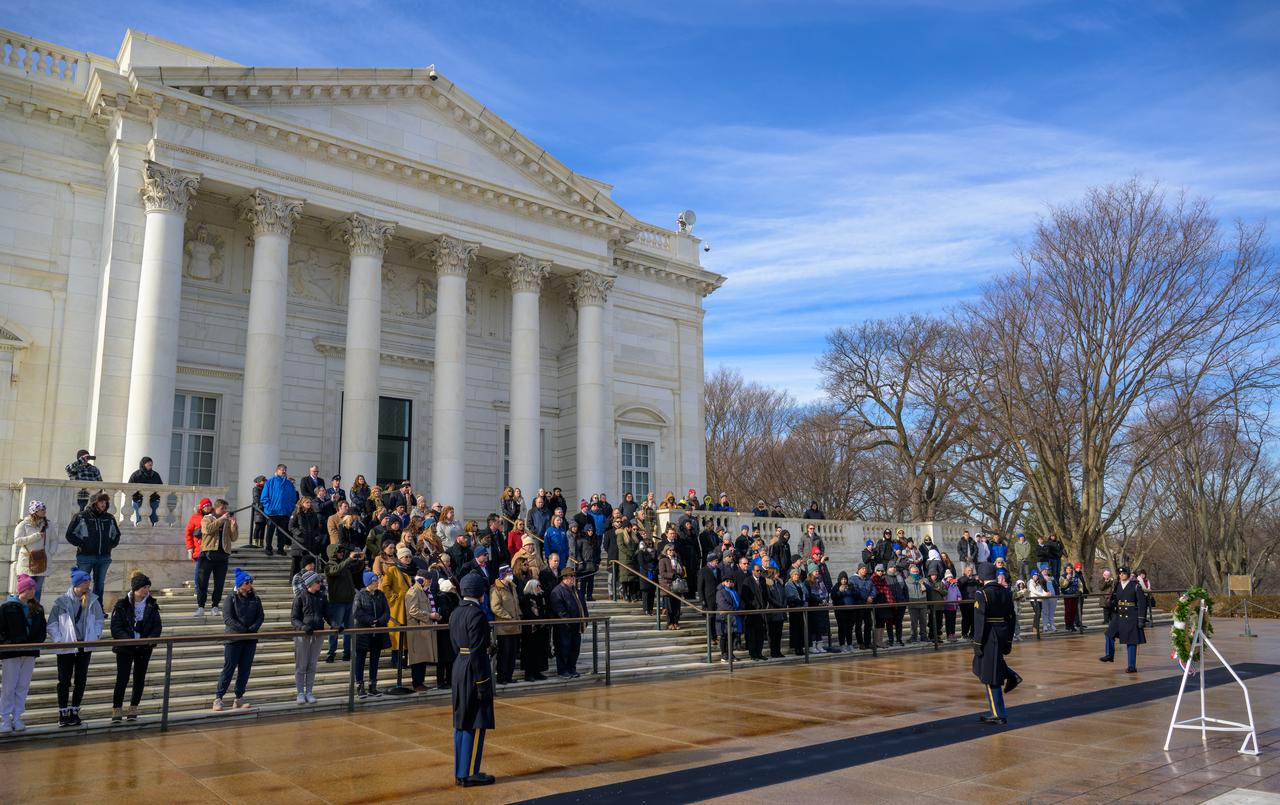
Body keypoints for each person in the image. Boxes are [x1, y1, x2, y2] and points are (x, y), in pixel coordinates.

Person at [451, 572, 496, 787]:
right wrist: (482, 683)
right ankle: (470, 772)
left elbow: (458, 645)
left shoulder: (456, 613)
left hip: (459, 664)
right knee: (475, 722)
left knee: (461, 722)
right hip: (474, 670)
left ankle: (460, 771)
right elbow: (477, 652)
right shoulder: (477, 615)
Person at [48, 567, 104, 726]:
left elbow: (99, 620)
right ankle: (63, 712)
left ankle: (75, 710)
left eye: (88, 582)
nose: (88, 585)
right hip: (67, 645)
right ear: (76, 584)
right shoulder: (61, 601)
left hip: (85, 646)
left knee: (81, 679)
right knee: (64, 680)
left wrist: (96, 635)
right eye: (85, 582)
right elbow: (52, 623)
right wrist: (59, 640)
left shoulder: (93, 600)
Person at [972, 562, 1020, 725]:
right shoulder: (1005, 591)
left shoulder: (982, 593)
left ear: (981, 577)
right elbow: (1011, 617)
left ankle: (998, 713)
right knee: (987, 666)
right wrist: (1008, 638)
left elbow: (980, 620)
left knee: (990, 675)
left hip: (989, 634)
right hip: (1002, 631)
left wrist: (977, 642)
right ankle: (1010, 674)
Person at [109, 572, 161, 721]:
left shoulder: (152, 604)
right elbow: (116, 627)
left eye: (148, 587)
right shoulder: (122, 604)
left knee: (140, 678)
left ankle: (133, 707)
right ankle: (117, 708)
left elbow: (157, 626)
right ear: (136, 588)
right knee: (122, 678)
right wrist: (128, 640)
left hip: (144, 648)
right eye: (144, 587)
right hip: (126, 648)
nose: (147, 590)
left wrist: (149, 639)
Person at [0, 574, 47, 733]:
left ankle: (18, 717)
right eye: (29, 588)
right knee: (8, 686)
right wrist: (8, 644)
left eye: (33, 588)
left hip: (29, 652)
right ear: (21, 590)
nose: (32, 591)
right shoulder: (7, 608)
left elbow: (42, 630)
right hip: (11, 652)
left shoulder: (38, 608)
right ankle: (5, 719)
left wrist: (37, 643)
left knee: (23, 686)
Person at [215, 568, 263, 711]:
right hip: (234, 639)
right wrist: (242, 629)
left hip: (250, 639)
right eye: (247, 582)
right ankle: (218, 697)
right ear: (240, 584)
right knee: (229, 668)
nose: (249, 585)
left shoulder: (255, 598)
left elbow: (260, 616)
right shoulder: (231, 598)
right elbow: (228, 618)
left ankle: (239, 697)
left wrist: (253, 628)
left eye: (251, 582)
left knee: (245, 669)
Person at [64, 491, 120, 603]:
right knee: (81, 583)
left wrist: (109, 545)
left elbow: (116, 534)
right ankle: (78, 607)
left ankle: (97, 609)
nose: (103, 504)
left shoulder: (109, 518)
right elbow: (69, 534)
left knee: (100, 584)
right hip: (85, 557)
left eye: (105, 502)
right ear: (94, 503)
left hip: (104, 557)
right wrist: (82, 544)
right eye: (101, 501)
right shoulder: (81, 516)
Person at [197, 498, 238, 618]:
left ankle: (215, 606)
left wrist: (233, 525)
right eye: (222, 508)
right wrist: (221, 519)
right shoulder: (207, 518)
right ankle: (200, 606)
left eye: (226, 508)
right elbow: (207, 530)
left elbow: (234, 537)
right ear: (216, 508)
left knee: (219, 584)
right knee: (202, 582)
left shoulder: (226, 520)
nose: (225, 511)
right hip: (207, 554)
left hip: (222, 555)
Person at [1100, 566, 1147, 673]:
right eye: (1120, 574)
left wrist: (1141, 619)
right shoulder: (1117, 585)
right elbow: (1115, 598)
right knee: (1109, 633)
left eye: (1124, 573)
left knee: (1131, 641)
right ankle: (1109, 655)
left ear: (1128, 574)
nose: (1121, 575)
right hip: (1119, 614)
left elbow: (1142, 603)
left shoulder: (1135, 585)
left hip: (1131, 615)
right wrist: (1111, 603)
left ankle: (1132, 666)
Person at [352, 570, 391, 698]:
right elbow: (357, 612)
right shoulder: (360, 595)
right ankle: (359, 686)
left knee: (375, 659)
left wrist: (379, 621)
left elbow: (387, 612)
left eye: (377, 580)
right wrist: (371, 621)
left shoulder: (380, 594)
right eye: (374, 581)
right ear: (368, 582)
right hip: (364, 632)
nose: (377, 583)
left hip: (378, 632)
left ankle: (372, 686)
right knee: (360, 659)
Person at [291, 569, 327, 704]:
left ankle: (309, 692)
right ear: (310, 584)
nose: (320, 584)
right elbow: (294, 618)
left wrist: (335, 624)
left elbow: (327, 613)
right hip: (303, 634)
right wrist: (303, 627)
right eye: (318, 582)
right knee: (301, 665)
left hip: (318, 633)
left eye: (320, 581)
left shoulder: (322, 596)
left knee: (312, 664)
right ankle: (300, 692)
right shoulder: (300, 597)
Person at [406, 571, 440, 692]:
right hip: (417, 630)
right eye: (428, 580)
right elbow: (413, 610)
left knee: (423, 658)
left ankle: (421, 682)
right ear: (421, 579)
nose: (430, 582)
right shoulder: (414, 591)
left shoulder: (424, 592)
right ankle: (417, 683)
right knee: (418, 658)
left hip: (425, 629)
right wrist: (430, 615)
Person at [550, 567, 587, 678]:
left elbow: (583, 606)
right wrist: (570, 621)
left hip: (576, 626)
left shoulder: (576, 590)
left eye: (573, 576)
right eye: (571, 576)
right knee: (563, 649)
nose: (573, 578)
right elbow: (560, 610)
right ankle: (562, 670)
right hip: (564, 627)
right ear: (564, 577)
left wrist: (585, 619)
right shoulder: (557, 591)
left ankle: (572, 668)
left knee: (575, 649)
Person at [11, 500, 51, 602]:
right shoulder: (23, 524)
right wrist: (35, 536)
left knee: (37, 590)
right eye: (42, 509)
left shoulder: (47, 524)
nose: (44, 511)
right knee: (26, 590)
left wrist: (50, 551)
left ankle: (35, 613)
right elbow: (17, 541)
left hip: (42, 561)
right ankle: (24, 611)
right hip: (26, 563)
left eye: (44, 509)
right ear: (35, 511)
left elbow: (55, 539)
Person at [490, 565, 520, 685]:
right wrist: (508, 616)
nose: (511, 575)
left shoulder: (513, 587)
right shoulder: (496, 589)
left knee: (512, 653)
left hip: (515, 625)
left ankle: (509, 676)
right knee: (504, 653)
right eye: (508, 573)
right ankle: (501, 677)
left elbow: (516, 604)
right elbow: (495, 607)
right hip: (504, 627)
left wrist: (518, 616)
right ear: (503, 575)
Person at [260, 464, 298, 556]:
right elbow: (264, 497)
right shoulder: (270, 482)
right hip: (272, 512)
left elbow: (293, 498)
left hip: (284, 512)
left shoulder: (289, 484)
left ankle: (280, 548)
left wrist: (290, 508)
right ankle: (268, 548)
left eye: (285, 470)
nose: (284, 471)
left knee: (282, 532)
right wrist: (269, 507)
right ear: (277, 470)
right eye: (282, 470)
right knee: (270, 531)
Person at [519, 579, 550, 682]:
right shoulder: (526, 598)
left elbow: (544, 610)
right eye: (537, 586)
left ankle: (538, 672)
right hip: (530, 630)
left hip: (541, 629)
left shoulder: (541, 597)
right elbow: (527, 612)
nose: (539, 588)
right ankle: (529, 674)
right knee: (530, 652)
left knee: (539, 651)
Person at [288, 495, 324, 578]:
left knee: (308, 563)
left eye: (310, 502)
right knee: (297, 563)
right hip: (299, 542)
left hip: (310, 542)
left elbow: (316, 527)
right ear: (302, 503)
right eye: (307, 502)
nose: (309, 504)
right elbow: (291, 526)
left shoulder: (313, 514)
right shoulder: (296, 513)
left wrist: (315, 534)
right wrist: (300, 533)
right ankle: (293, 580)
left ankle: (307, 579)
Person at [185, 497, 212, 591]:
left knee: (207, 571)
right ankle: (198, 589)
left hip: (210, 548)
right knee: (198, 570)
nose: (208, 507)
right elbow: (188, 533)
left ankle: (204, 589)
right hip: (198, 549)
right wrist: (190, 548)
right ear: (202, 507)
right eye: (206, 506)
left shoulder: (214, 516)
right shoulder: (195, 517)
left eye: (209, 505)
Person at [127, 456, 163, 526]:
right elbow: (129, 488)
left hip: (153, 500)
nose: (150, 463)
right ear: (143, 464)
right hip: (139, 501)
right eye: (148, 462)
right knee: (140, 519)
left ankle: (154, 535)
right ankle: (139, 534)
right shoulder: (136, 475)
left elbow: (160, 487)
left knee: (155, 520)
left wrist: (157, 498)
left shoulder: (155, 475)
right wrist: (137, 499)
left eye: (151, 462)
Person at [657, 542, 685, 630]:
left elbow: (682, 570)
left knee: (677, 607)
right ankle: (670, 623)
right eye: (670, 550)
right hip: (667, 586)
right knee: (670, 607)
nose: (671, 551)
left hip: (677, 586)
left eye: (673, 550)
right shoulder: (663, 560)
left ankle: (676, 622)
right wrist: (672, 575)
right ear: (666, 551)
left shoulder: (677, 559)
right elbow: (662, 573)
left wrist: (680, 574)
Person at [715, 574, 741, 662]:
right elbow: (722, 603)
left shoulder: (733, 591)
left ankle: (731, 653)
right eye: (727, 581)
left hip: (733, 617)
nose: (729, 582)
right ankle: (724, 654)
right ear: (723, 582)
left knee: (732, 636)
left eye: (731, 581)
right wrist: (733, 609)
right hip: (724, 617)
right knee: (724, 636)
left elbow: (737, 601)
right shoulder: (720, 592)